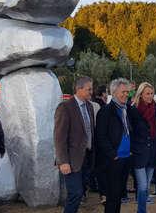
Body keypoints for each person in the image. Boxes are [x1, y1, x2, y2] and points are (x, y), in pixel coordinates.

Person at [54, 76, 96, 213]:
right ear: (79, 89)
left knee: (80, 193)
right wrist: (63, 161)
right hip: (71, 160)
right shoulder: (65, 107)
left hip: (87, 158)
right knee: (75, 193)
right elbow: (59, 138)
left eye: (92, 89)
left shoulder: (89, 106)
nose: (92, 92)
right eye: (89, 89)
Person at [96, 78, 133, 213]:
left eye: (127, 92)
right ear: (114, 92)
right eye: (123, 92)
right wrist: (113, 154)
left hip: (125, 159)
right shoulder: (106, 111)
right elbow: (101, 136)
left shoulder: (126, 109)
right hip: (113, 161)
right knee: (112, 197)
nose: (126, 94)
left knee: (118, 196)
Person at [130, 82, 156, 213]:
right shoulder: (133, 110)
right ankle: (141, 211)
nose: (150, 96)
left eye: (151, 93)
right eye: (147, 93)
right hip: (139, 152)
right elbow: (131, 131)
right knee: (142, 185)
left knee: (147, 185)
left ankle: (142, 209)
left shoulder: (155, 109)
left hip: (153, 152)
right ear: (141, 94)